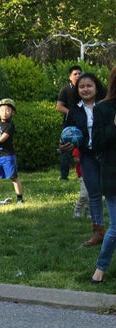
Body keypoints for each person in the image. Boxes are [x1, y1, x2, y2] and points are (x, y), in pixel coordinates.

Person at [60, 72, 106, 246]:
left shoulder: (106, 106)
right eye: (81, 86)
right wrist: (63, 144)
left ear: (96, 87)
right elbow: (66, 132)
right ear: (77, 90)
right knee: (94, 194)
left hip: (108, 155)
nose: (85, 89)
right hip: (87, 156)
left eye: (89, 85)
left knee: (111, 192)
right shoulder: (74, 111)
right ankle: (98, 232)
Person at [90, 66, 116, 283]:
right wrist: (114, 127)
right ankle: (100, 268)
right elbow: (97, 144)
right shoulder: (104, 109)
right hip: (113, 175)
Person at [0, 98, 25, 205]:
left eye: (8, 110)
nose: (5, 113)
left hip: (7, 156)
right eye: (2, 110)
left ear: (12, 113)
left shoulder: (10, 126)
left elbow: (2, 138)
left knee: (13, 177)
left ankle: (20, 198)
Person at [56, 66, 83, 180]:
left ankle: (83, 174)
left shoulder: (84, 89)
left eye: (79, 73)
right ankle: (64, 176)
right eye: (75, 74)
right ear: (70, 76)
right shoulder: (65, 89)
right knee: (65, 150)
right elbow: (59, 107)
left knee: (84, 150)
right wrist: (71, 113)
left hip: (83, 124)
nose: (78, 76)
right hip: (69, 125)